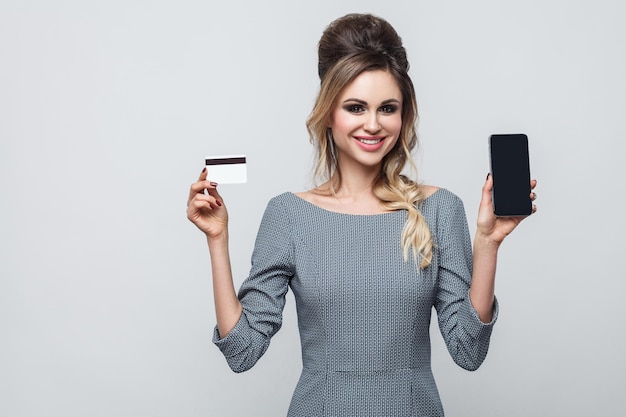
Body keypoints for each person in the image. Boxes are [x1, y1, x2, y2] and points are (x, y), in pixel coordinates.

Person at [187, 12, 537, 417]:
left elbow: (468, 350)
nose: (373, 124)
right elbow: (242, 352)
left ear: (403, 115)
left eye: (387, 108)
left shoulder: (440, 209)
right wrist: (217, 240)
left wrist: (488, 244)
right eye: (355, 107)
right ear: (329, 112)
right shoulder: (288, 215)